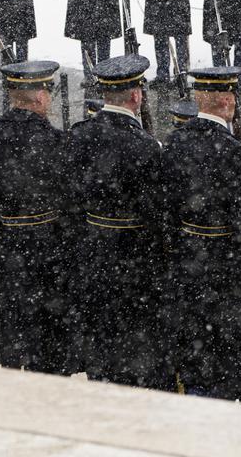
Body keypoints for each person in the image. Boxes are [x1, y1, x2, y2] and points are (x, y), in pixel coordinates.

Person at [65, 54, 174, 391]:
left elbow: (70, 200)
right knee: (134, 351)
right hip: (135, 262)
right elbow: (158, 214)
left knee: (102, 346)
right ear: (136, 95)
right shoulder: (144, 146)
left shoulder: (81, 135)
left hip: (94, 254)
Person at [162, 67, 241, 402]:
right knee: (227, 352)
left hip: (187, 261)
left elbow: (167, 208)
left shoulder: (176, 141)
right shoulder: (234, 151)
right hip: (225, 267)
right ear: (227, 100)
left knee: (195, 348)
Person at [0, 60, 76, 375]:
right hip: (51, 247)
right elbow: (70, 200)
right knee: (50, 333)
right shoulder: (58, 142)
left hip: (8, 244)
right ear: (41, 96)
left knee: (19, 323)